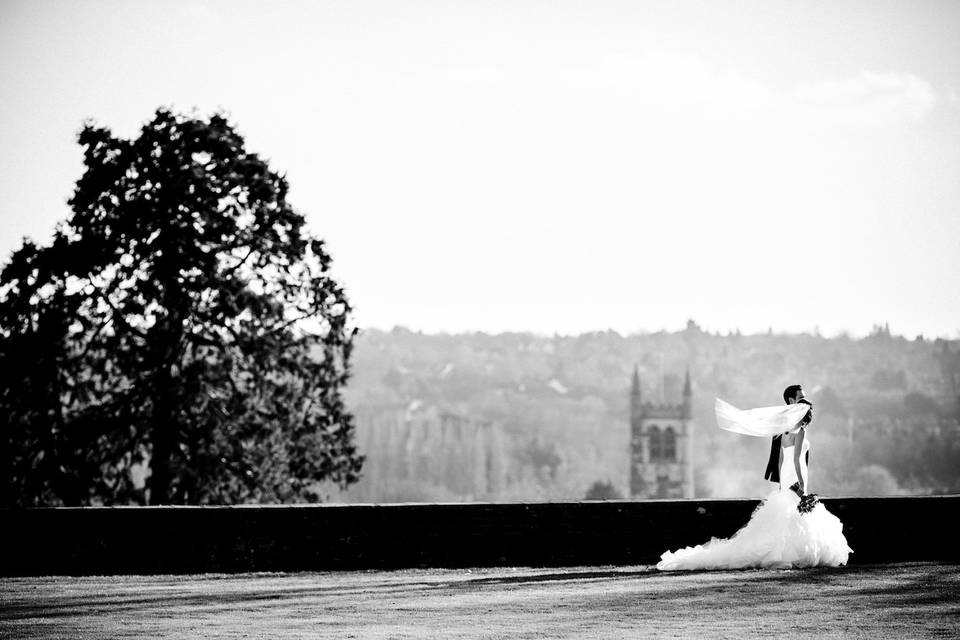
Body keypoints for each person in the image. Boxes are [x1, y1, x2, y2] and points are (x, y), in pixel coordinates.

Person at [657, 385, 851, 570]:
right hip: (796, 477)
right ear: (793, 403)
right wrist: (802, 484)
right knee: (793, 515)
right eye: (801, 400)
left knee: (786, 515)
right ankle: (790, 554)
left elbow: (781, 462)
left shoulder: (783, 433)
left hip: (786, 479)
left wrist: (784, 485)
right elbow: (798, 460)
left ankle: (784, 553)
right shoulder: (800, 432)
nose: (803, 405)